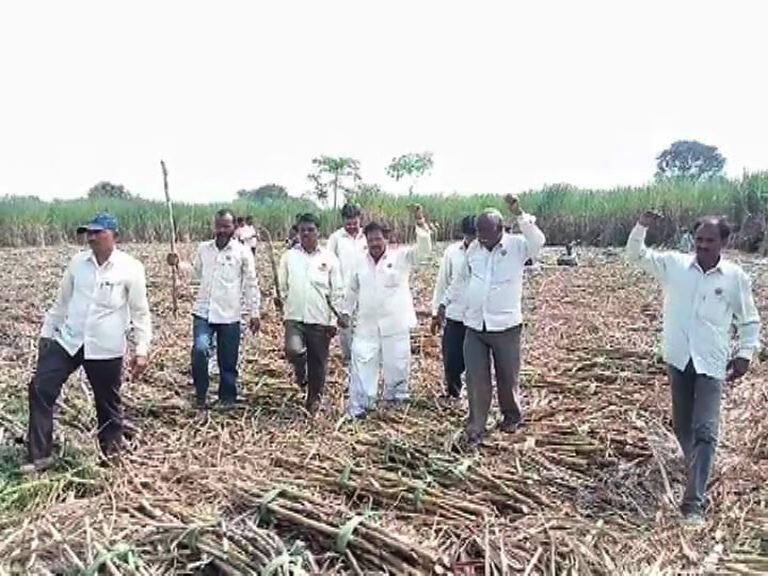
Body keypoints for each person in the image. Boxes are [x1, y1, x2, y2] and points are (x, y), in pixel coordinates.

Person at [626, 211, 760, 526]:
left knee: (705, 431)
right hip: (678, 358)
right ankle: (697, 467)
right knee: (682, 426)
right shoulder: (675, 266)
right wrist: (641, 226)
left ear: (724, 242)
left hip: (712, 362)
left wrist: (745, 354)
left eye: (710, 240)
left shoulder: (734, 278)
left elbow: (749, 320)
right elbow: (636, 256)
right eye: (699, 239)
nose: (702, 245)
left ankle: (693, 502)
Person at [24, 213, 152, 472]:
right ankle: (40, 456)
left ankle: (111, 459)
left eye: (97, 232)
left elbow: (140, 312)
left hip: (105, 346)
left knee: (107, 404)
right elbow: (61, 303)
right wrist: (47, 333)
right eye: (89, 233)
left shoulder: (130, 268)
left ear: (115, 236)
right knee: (40, 387)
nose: (91, 238)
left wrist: (141, 350)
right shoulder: (77, 263)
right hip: (70, 339)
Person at [441, 194, 546, 445]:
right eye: (480, 234)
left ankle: (511, 416)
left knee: (507, 376)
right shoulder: (474, 250)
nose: (483, 239)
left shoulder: (518, 246)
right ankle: (477, 423)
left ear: (501, 229)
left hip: (505, 325)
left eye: (487, 234)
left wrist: (519, 214)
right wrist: (444, 302)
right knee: (476, 377)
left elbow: (538, 241)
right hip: (475, 324)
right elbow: (460, 280)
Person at [343, 206, 432, 419]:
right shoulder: (359, 262)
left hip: (395, 325)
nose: (374, 243)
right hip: (367, 325)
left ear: (387, 238)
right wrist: (345, 312)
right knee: (362, 364)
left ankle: (396, 406)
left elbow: (424, 251)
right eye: (370, 239)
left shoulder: (401, 257)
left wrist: (420, 223)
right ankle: (361, 407)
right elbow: (351, 290)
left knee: (397, 366)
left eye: (378, 239)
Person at [168, 209, 260, 409]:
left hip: (230, 314)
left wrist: (255, 312)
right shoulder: (204, 249)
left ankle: (227, 398)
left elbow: (251, 283)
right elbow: (195, 273)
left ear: (234, 227)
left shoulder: (242, 252)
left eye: (226, 226)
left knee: (228, 361)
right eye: (219, 226)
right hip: (203, 312)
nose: (222, 230)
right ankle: (201, 394)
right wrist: (178, 264)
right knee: (200, 350)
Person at [276, 213, 346, 415]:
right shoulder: (289, 256)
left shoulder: (329, 259)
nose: (306, 234)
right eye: (302, 230)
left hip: (320, 318)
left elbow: (337, 291)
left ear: (318, 232)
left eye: (310, 230)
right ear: (297, 233)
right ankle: (300, 372)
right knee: (293, 350)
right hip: (294, 317)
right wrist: (280, 301)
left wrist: (333, 320)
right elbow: (282, 285)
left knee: (318, 362)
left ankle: (314, 400)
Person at [431, 215, 477, 399]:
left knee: (475, 362)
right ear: (463, 234)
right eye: (469, 235)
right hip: (455, 315)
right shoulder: (452, 252)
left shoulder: (486, 253)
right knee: (451, 360)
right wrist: (436, 312)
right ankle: (454, 394)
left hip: (477, 318)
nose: (472, 239)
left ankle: (474, 396)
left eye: (475, 235)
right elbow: (443, 283)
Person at [327, 203, 367, 362]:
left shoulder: (366, 236)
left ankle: (364, 355)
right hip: (344, 288)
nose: (351, 227)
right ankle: (348, 358)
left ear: (359, 219)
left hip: (366, 287)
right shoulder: (335, 238)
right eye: (348, 223)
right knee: (345, 324)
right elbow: (329, 261)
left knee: (365, 322)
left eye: (354, 223)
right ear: (343, 221)